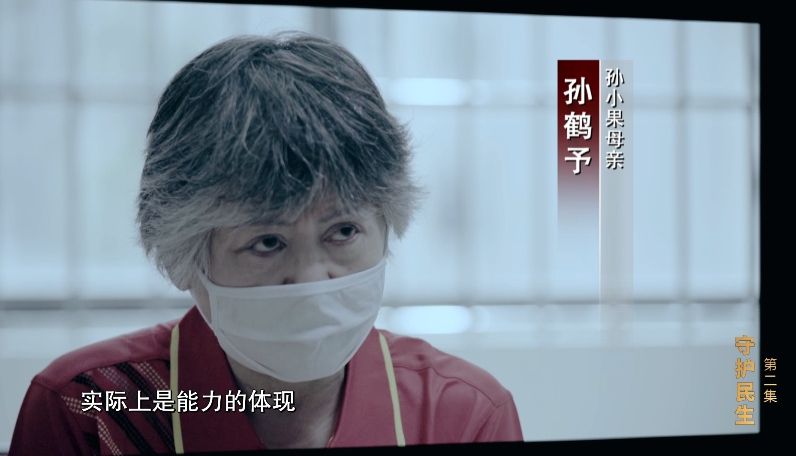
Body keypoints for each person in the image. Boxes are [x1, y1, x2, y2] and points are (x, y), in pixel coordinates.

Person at [8, 32, 523, 454]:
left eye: (343, 231)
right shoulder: (97, 408)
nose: (311, 278)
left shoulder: (461, 413)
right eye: (268, 242)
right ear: (187, 259)